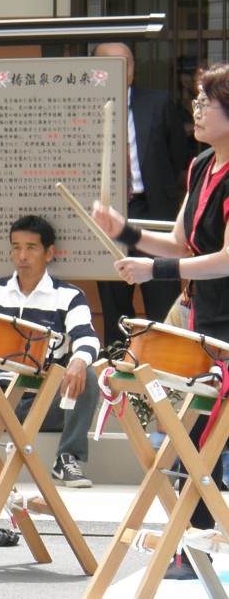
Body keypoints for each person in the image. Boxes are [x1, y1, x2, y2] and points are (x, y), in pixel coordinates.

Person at [93, 62, 229, 580]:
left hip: (227, 319)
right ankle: (191, 548)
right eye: (195, 99)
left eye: (206, 101)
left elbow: (226, 258)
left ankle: (195, 547)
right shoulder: (200, 167)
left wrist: (157, 270)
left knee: (203, 438)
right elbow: (180, 244)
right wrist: (125, 232)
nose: (195, 108)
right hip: (203, 316)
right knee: (189, 439)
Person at [0, 215, 101, 489]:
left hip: (44, 404)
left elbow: (87, 337)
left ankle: (67, 458)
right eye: (16, 247)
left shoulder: (69, 296)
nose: (22, 255)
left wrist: (79, 360)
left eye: (31, 247)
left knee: (87, 373)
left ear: (49, 253)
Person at [92, 43, 189, 345]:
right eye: (110, 65)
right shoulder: (82, 105)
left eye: (126, 64)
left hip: (153, 212)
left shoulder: (158, 103)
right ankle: (116, 380)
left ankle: (163, 378)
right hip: (107, 217)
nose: (120, 72)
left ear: (134, 68)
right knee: (115, 307)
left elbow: (180, 160)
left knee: (162, 301)